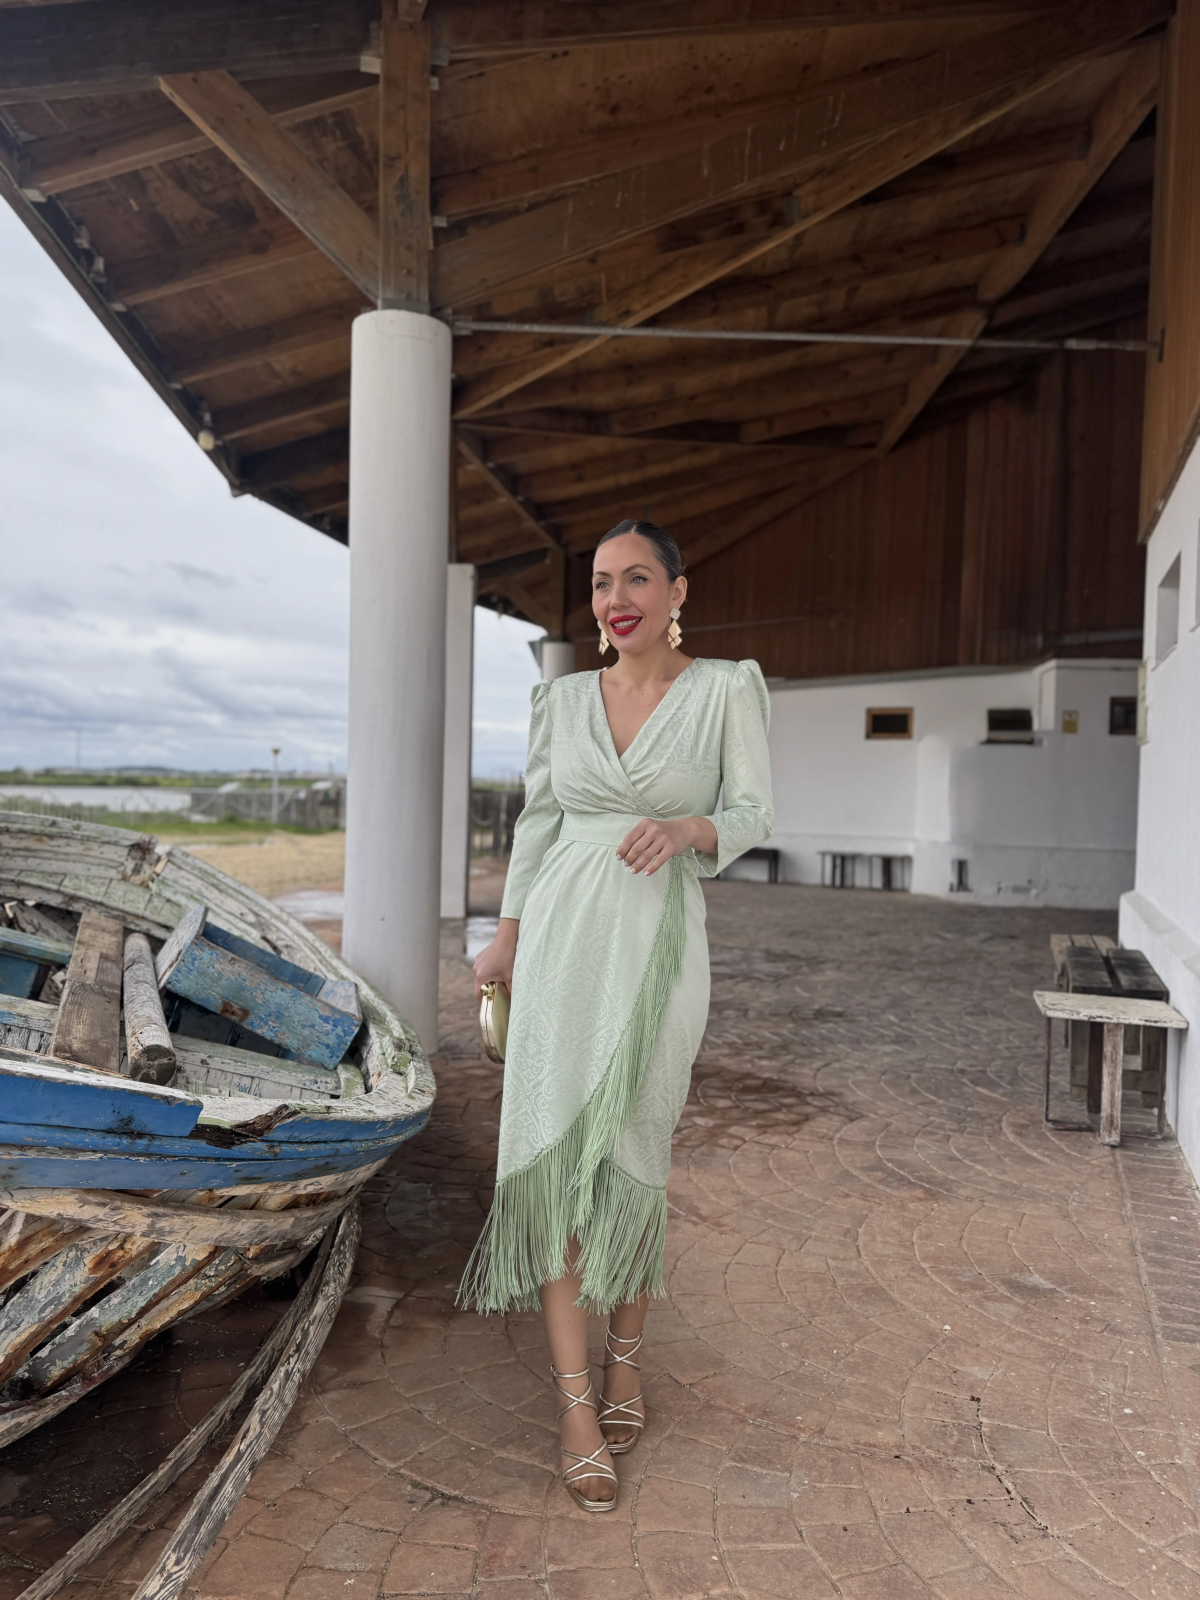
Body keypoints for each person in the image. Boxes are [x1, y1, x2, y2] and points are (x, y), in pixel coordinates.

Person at [461, 518, 774, 1511]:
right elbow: (539, 824)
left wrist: (690, 827)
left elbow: (756, 811)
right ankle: (575, 1410)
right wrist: (506, 938)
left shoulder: (726, 689)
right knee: (554, 1161)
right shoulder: (560, 701)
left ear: (678, 590)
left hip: (659, 946)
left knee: (636, 1158)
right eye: (601, 582)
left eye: (638, 577)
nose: (616, 597)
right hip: (560, 940)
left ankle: (626, 1366)